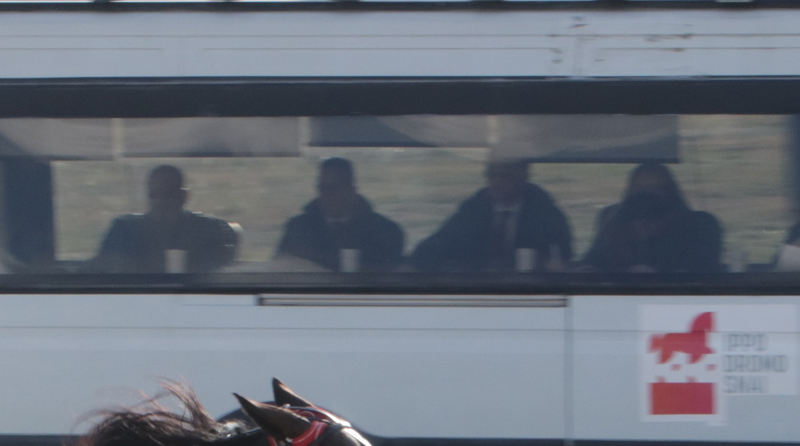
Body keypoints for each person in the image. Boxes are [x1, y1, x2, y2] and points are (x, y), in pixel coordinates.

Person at [408, 160, 573, 272]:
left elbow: (563, 260)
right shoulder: (470, 213)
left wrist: (543, 263)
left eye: (506, 176)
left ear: (524, 178)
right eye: (492, 175)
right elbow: (429, 250)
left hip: (533, 293)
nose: (497, 181)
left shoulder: (548, 216)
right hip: (477, 291)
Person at [92, 164, 240, 273]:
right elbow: (102, 271)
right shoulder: (124, 230)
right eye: (155, 195)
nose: (161, 202)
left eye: (168, 194)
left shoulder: (209, 230)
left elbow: (220, 275)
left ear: (184, 197)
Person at [582, 162, 723, 275]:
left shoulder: (700, 226)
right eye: (638, 189)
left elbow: (704, 270)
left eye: (654, 189)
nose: (645, 197)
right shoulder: (611, 222)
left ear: (669, 191)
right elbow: (592, 263)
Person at [273, 157, 405, 272]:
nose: (329, 195)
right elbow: (281, 268)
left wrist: (318, 257)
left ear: (352, 190)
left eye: (336, 188)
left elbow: (390, 274)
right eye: (324, 188)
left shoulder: (386, 231)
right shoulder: (297, 228)